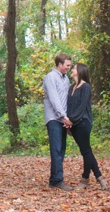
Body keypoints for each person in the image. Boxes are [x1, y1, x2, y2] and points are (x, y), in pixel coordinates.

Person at [66, 63, 110, 190]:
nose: (71, 70)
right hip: (73, 124)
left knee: (85, 150)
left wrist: (71, 119)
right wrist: (68, 121)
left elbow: (82, 107)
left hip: (83, 122)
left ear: (79, 71)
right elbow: (69, 106)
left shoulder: (86, 87)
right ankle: (93, 178)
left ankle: (91, 178)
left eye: (73, 68)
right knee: (86, 151)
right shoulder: (71, 87)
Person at [43, 52, 73, 191]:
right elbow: (54, 99)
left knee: (61, 149)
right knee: (56, 149)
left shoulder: (66, 79)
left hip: (63, 119)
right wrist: (63, 116)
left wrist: (67, 118)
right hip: (54, 119)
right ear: (59, 64)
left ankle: (56, 178)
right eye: (67, 65)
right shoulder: (51, 77)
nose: (69, 68)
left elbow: (66, 99)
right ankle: (56, 180)